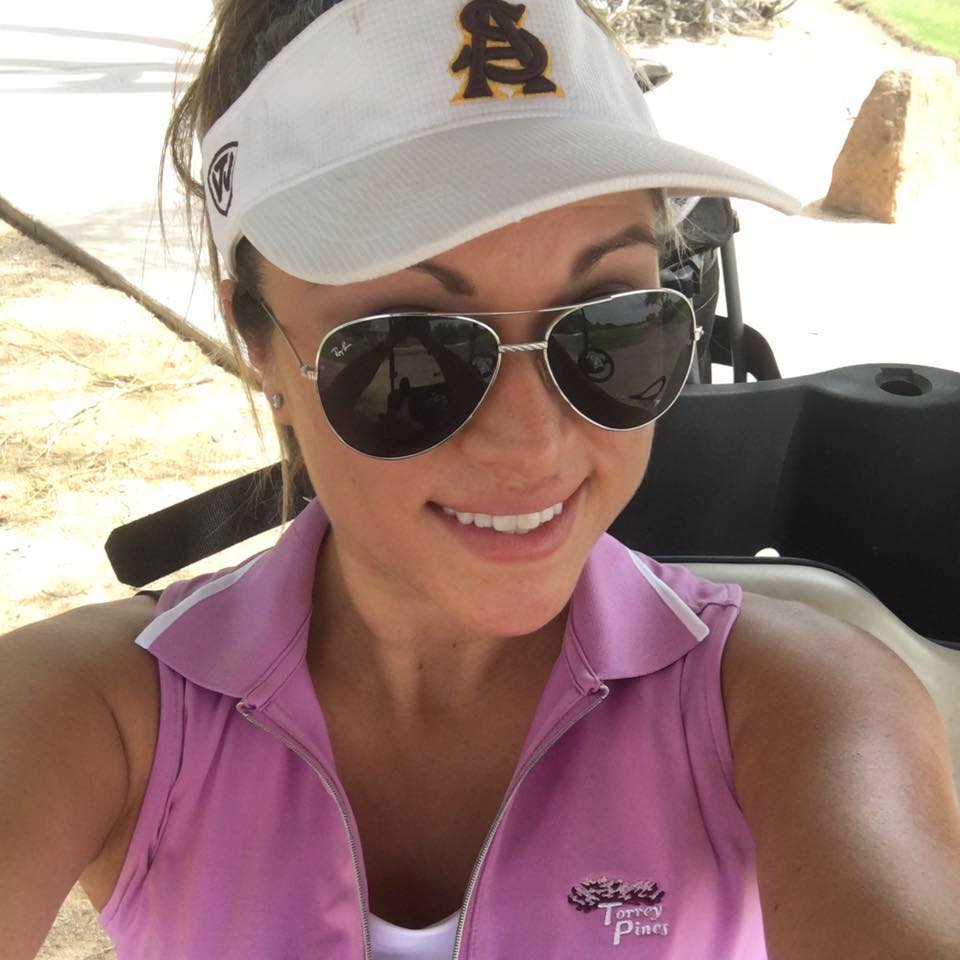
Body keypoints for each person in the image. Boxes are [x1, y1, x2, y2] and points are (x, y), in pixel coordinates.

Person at [3, 1, 959, 958]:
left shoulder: (803, 707)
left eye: (609, 319)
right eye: (410, 350)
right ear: (257, 342)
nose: (532, 444)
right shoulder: (93, 712)